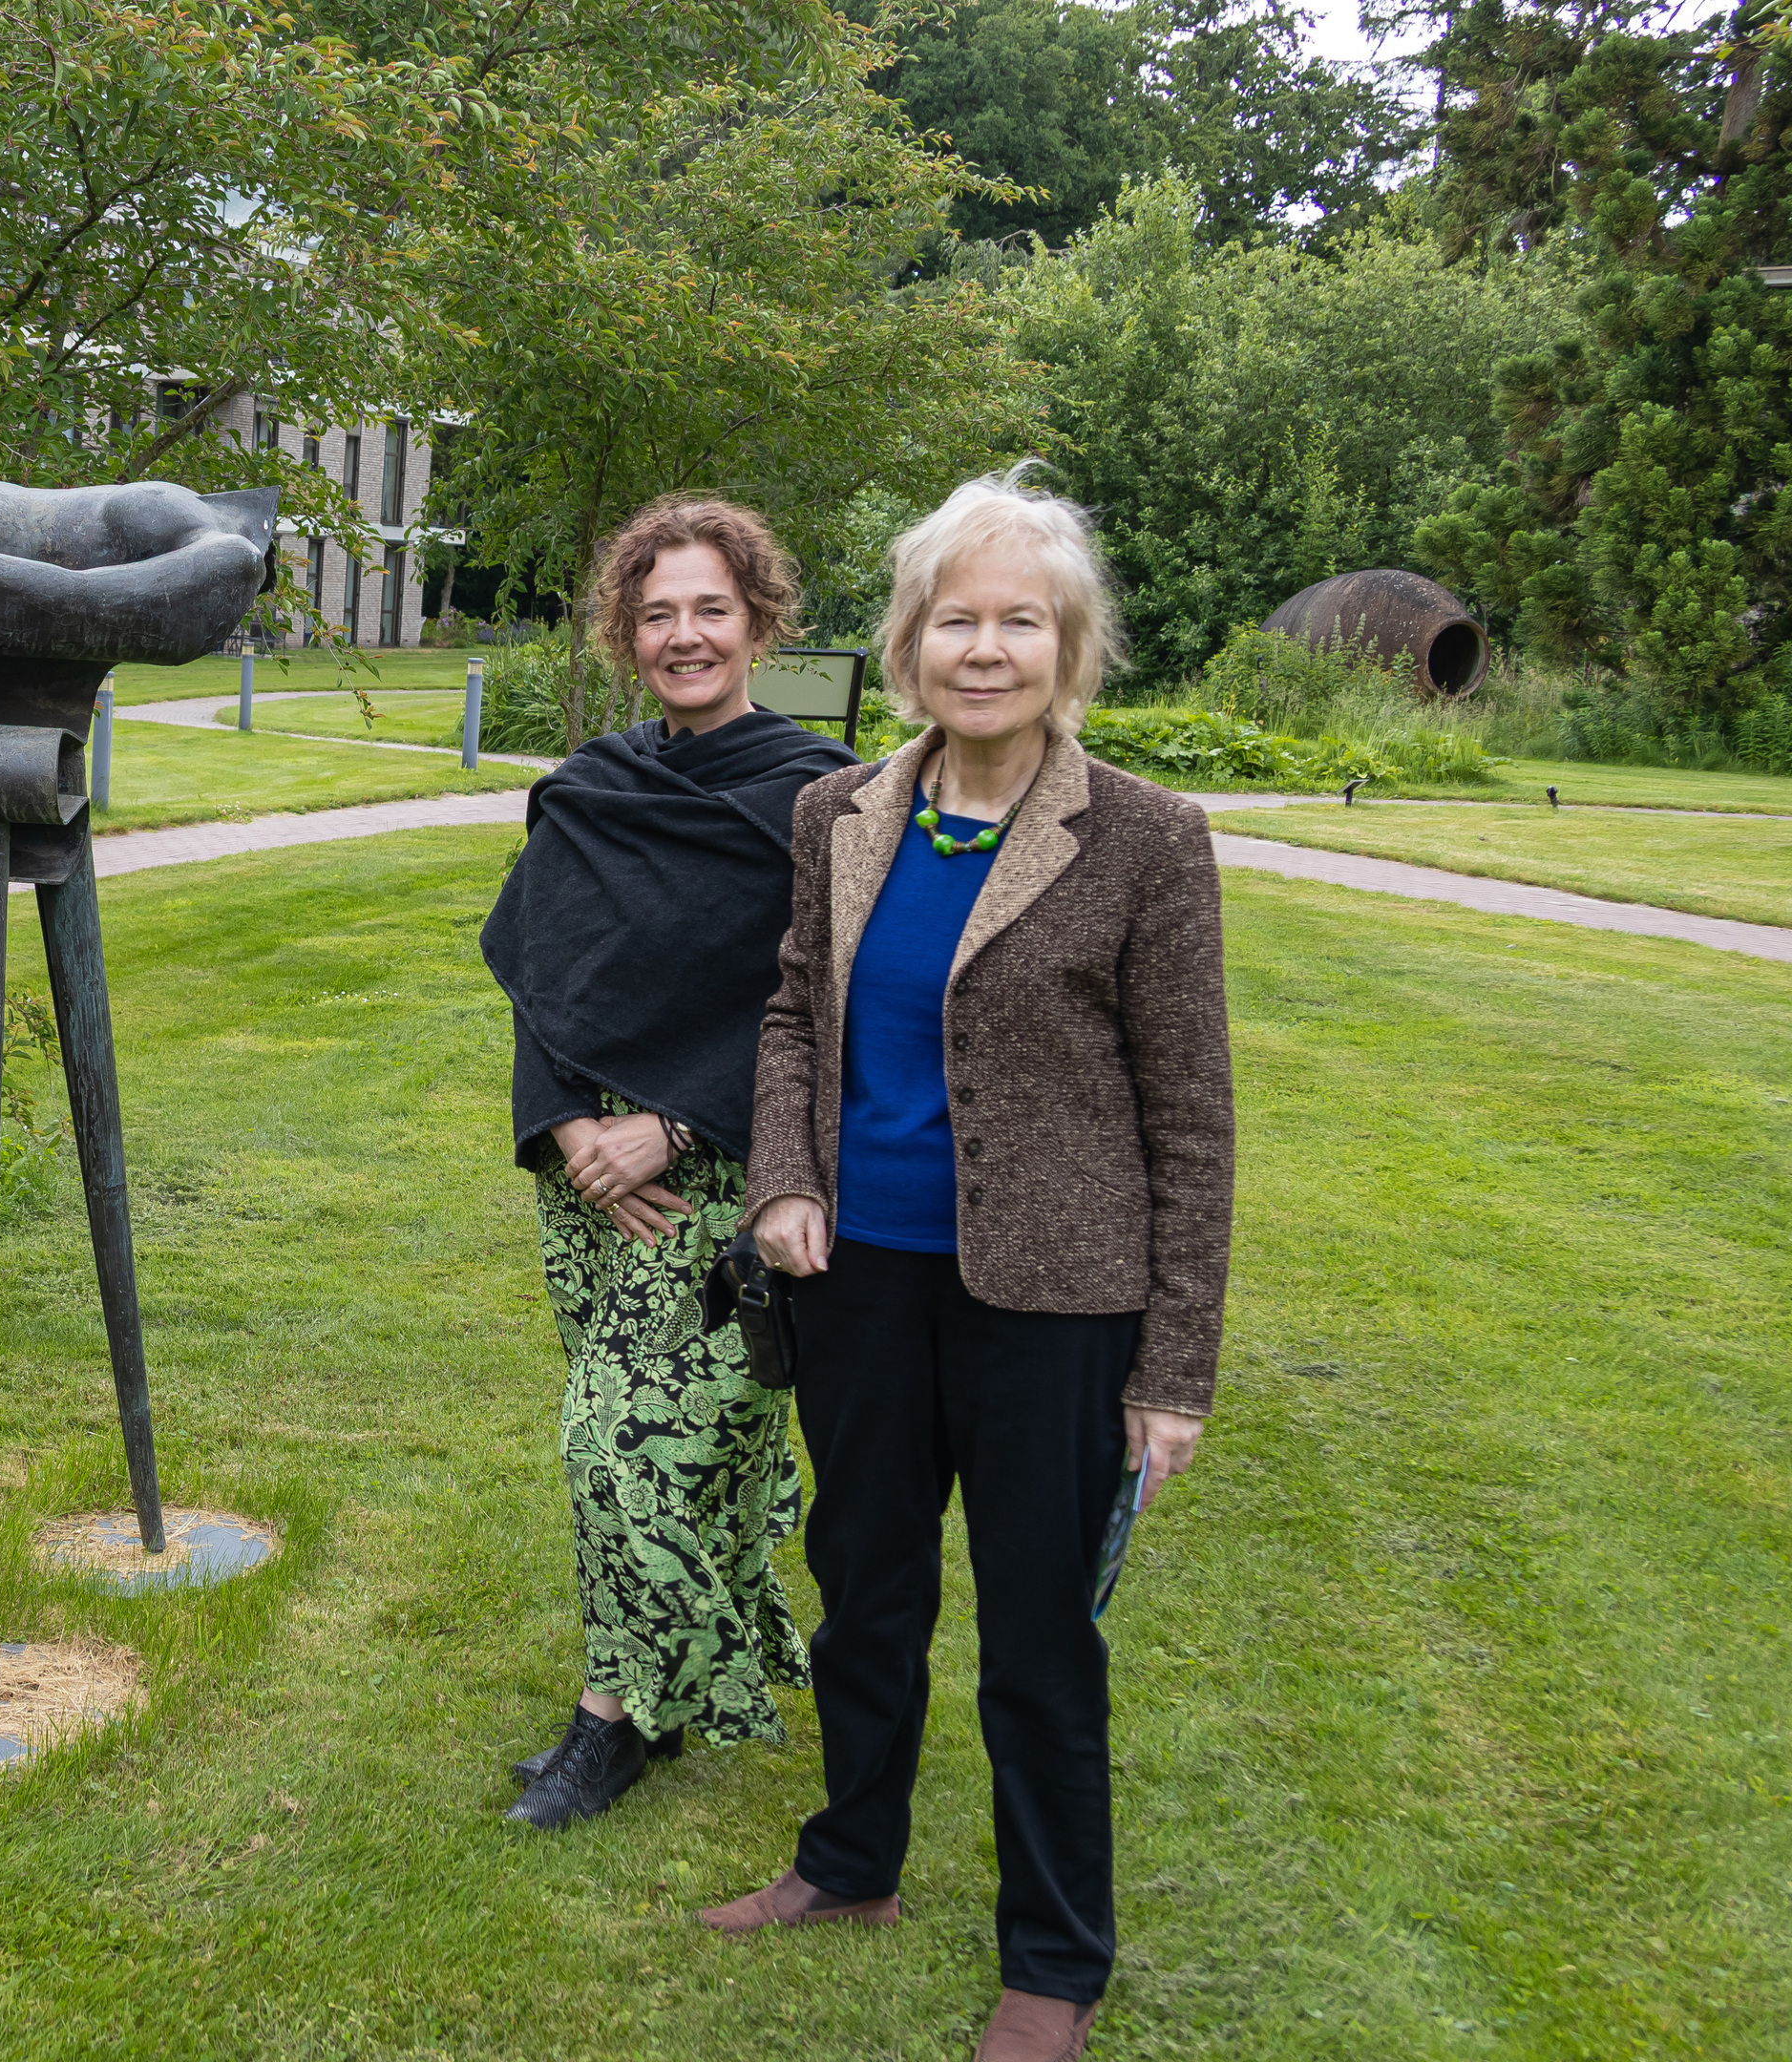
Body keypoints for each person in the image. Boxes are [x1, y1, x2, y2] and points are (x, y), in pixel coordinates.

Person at [702, 471, 1231, 2062]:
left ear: (1068, 651)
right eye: (956, 619)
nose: (983, 649)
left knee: (1039, 1637)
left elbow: (1193, 1120)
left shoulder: (1144, 839)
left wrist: (1175, 1371)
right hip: (859, 1281)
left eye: (1019, 622)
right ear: (911, 641)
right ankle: (852, 1861)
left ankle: (1055, 1960)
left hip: (1056, 1309)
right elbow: (796, 1011)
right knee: (864, 1593)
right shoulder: (841, 812)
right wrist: (788, 1180)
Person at [477, 495, 858, 1828]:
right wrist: (569, 1124)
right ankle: (664, 1678)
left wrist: (678, 1124)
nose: (684, 635)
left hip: (721, 1185)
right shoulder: (592, 789)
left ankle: (614, 1721)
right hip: (589, 1184)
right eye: (656, 613)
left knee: (621, 1453)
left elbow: (826, 1006)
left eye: (710, 607)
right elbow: (534, 980)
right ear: (625, 633)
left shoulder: (819, 799)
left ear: (758, 619)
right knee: (639, 1442)